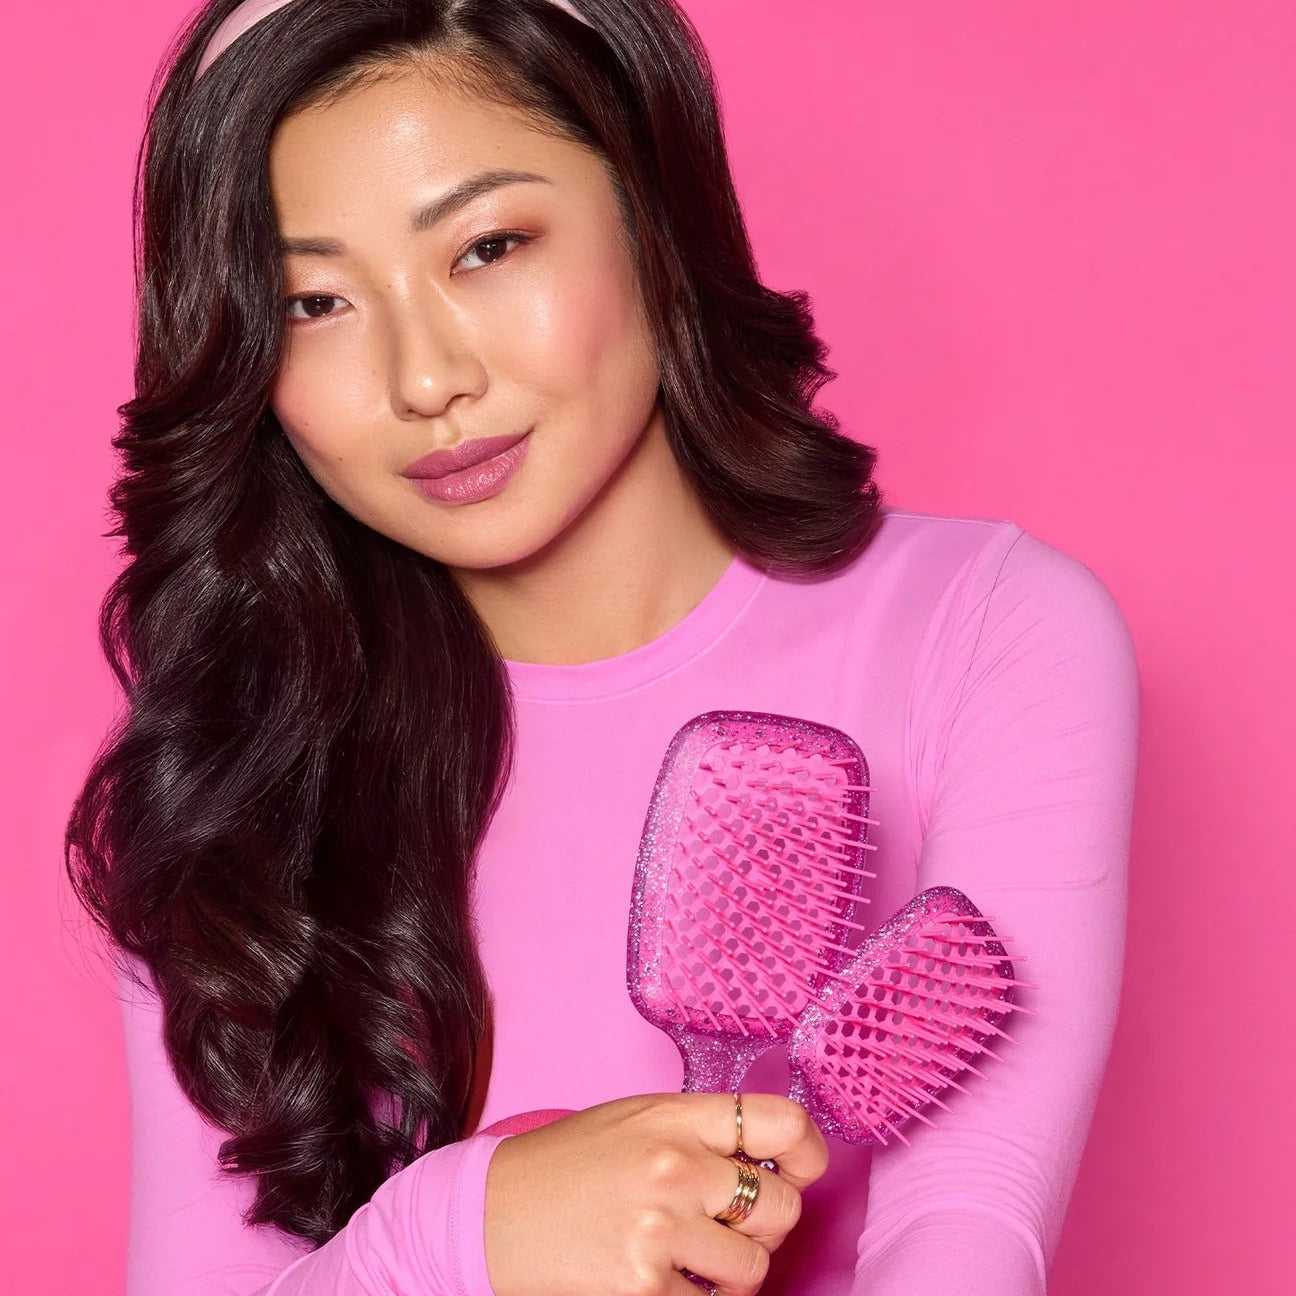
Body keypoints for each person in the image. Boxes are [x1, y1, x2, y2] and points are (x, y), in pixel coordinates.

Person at [64, 1, 1141, 1293]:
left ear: (652, 214)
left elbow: (967, 1240)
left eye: (489, 246)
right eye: (314, 300)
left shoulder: (988, 629)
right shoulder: (233, 761)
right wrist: (460, 1232)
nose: (424, 377)